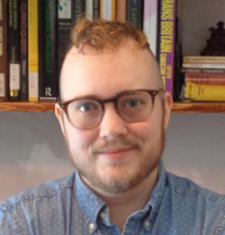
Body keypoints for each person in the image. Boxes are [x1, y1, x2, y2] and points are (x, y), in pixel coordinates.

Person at [1, 19, 225, 235]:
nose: (111, 129)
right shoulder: (17, 226)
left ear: (165, 111)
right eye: (86, 107)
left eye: (133, 102)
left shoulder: (216, 223)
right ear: (62, 121)